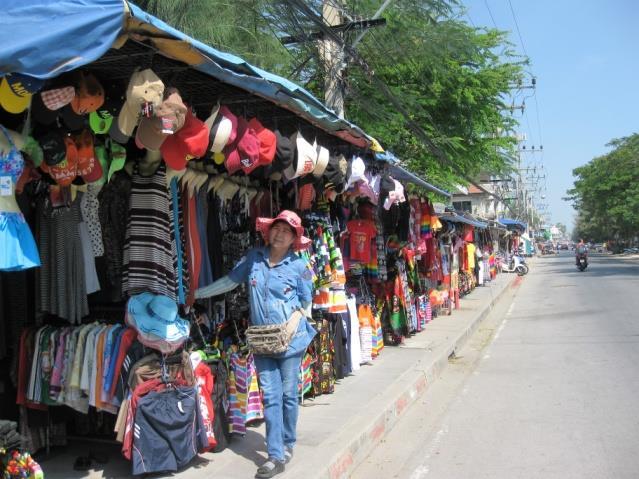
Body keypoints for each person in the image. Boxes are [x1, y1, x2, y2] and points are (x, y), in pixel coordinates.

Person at [195, 210, 316, 479]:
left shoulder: (299, 265)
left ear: (294, 238)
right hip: (262, 340)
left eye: (287, 231)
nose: (280, 233)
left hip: (291, 341)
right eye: (277, 228)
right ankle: (275, 455)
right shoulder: (254, 258)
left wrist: (294, 322)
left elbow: (307, 299)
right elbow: (230, 281)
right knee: (271, 396)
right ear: (269, 231)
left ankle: (287, 444)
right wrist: (196, 293)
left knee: (287, 394)